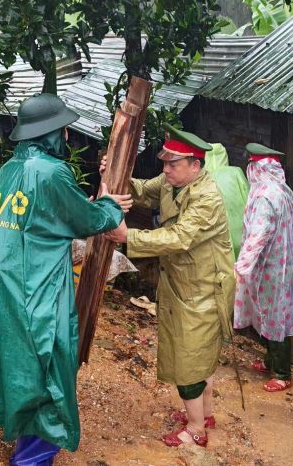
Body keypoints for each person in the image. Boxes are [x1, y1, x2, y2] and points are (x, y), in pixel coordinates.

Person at [0, 93, 130, 466]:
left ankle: (17, 427)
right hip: (24, 279)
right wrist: (111, 204)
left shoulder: (11, 168)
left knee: (11, 354)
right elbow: (89, 220)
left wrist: (97, 194)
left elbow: (52, 213)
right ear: (54, 133)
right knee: (49, 358)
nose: (69, 136)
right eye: (66, 130)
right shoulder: (51, 171)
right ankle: (32, 457)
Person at [103, 126, 235, 448]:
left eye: (172, 164)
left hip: (203, 289)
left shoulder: (207, 198)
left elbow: (179, 237)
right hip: (184, 282)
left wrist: (128, 237)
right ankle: (205, 413)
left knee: (189, 360)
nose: (165, 170)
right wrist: (115, 175)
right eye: (165, 163)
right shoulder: (172, 182)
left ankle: (195, 431)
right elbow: (144, 191)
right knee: (197, 355)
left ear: (195, 165)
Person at [233, 143, 293, 392]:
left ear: (257, 168)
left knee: (275, 318)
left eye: (251, 166)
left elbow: (259, 234)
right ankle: (270, 361)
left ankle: (283, 373)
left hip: (269, 266)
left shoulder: (264, 196)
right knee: (271, 315)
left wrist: (242, 266)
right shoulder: (282, 191)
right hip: (281, 263)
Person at [204, 143, 250, 260]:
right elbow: (249, 197)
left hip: (214, 238)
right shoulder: (236, 172)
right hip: (240, 234)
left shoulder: (202, 177)